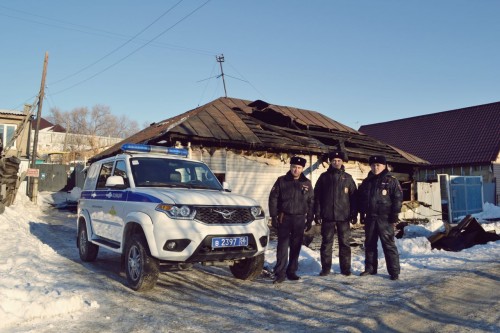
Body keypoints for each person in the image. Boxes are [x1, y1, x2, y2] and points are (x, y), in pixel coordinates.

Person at [269, 156, 314, 284]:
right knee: (282, 246)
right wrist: (273, 216)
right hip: (285, 218)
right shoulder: (281, 181)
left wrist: (310, 219)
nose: (296, 170)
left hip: (300, 219)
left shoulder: (306, 183)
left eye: (299, 168)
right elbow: (273, 198)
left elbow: (311, 202)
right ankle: (280, 273)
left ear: (302, 169)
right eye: (294, 167)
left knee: (296, 246)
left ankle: (292, 271)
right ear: (290, 167)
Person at [358, 155, 403, 280]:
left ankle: (394, 271)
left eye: (378, 165)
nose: (375, 167)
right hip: (370, 218)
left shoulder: (391, 180)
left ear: (384, 165)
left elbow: (398, 198)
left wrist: (394, 215)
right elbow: (362, 199)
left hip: (385, 218)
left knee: (388, 245)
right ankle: (370, 268)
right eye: (373, 165)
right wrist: (362, 214)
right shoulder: (367, 181)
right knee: (369, 244)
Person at [314, 151, 357, 277]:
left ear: (342, 162)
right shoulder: (324, 177)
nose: (336, 162)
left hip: (344, 217)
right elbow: (317, 197)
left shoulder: (348, 178)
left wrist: (354, 214)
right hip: (327, 216)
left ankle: (345, 269)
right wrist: (317, 213)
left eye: (338, 160)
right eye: (334, 161)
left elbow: (354, 197)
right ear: (330, 162)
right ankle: (326, 269)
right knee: (326, 243)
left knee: (345, 243)